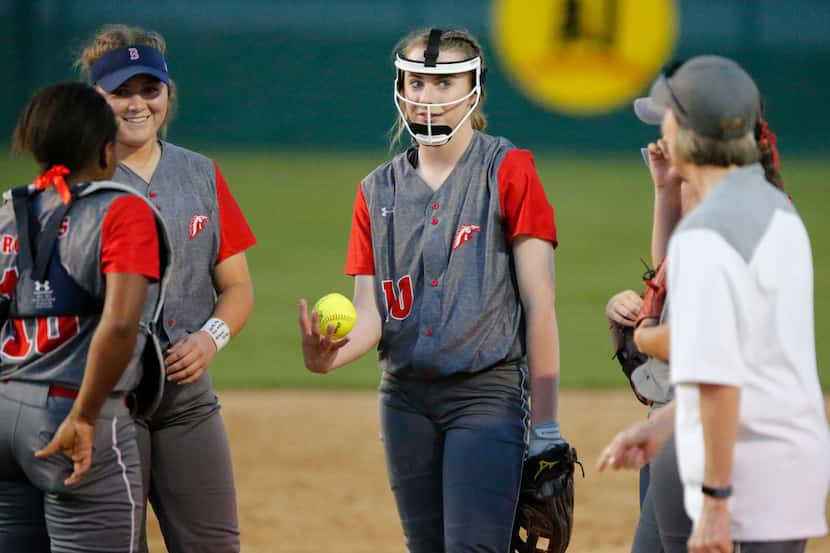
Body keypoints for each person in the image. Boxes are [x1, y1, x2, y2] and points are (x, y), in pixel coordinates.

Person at [298, 28, 564, 553]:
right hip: (404, 400)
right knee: (425, 546)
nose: (427, 98)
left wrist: (548, 425)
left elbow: (540, 303)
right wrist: (328, 358)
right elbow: (370, 313)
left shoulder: (507, 170)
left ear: (475, 90)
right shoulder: (376, 190)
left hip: (485, 395)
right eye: (416, 82)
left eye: (444, 85)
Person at [598, 55, 830, 553]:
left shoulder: (707, 232)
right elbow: (747, 347)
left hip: (727, 461)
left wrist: (716, 501)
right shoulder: (776, 212)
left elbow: (716, 369)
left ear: (686, 129)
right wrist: (662, 424)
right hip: (788, 466)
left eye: (667, 116)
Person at [76, 24, 257, 553]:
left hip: (188, 403)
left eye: (149, 90)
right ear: (95, 98)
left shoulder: (200, 174)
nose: (137, 104)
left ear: (167, 95)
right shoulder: (74, 185)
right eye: (120, 92)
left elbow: (238, 285)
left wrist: (210, 339)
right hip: (107, 405)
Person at [0, 82, 163, 552]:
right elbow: (118, 324)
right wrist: (87, 417)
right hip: (70, 411)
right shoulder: (122, 211)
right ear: (105, 148)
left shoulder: (9, 210)